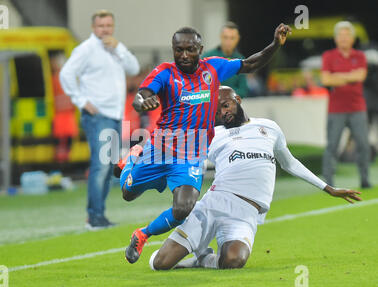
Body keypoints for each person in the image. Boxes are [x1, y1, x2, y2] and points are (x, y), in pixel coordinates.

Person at [118, 23, 292, 264]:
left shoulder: (213, 68)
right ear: (173, 49)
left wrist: (275, 45)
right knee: (127, 193)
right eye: (178, 50)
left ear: (200, 49)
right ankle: (131, 160)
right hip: (159, 150)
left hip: (189, 156)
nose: (184, 55)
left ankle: (142, 234)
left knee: (183, 208)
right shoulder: (164, 72)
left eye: (190, 49)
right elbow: (143, 94)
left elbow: (250, 63)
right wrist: (142, 102)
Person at [149, 86, 362, 271]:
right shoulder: (213, 135)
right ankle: (184, 247)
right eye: (218, 111)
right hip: (214, 205)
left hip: (245, 214)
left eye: (226, 105)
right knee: (160, 263)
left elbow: (289, 163)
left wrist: (327, 188)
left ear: (238, 100)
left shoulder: (269, 127)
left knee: (233, 260)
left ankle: (202, 259)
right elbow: (185, 160)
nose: (224, 113)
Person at [60, 10, 140, 230]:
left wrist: (119, 48)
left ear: (112, 27)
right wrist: (81, 100)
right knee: (101, 166)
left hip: (114, 116)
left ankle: (98, 215)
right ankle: (94, 217)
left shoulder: (115, 49)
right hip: (98, 116)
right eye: (101, 26)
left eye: (108, 25)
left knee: (108, 167)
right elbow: (66, 74)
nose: (105, 29)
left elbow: (133, 68)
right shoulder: (86, 49)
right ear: (93, 28)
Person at [320, 21, 371, 189]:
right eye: (340, 36)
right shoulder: (328, 56)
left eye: (346, 35)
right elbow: (326, 79)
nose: (343, 39)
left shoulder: (360, 56)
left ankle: (365, 179)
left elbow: (361, 76)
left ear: (352, 38)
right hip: (336, 109)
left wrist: (338, 77)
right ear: (335, 39)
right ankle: (328, 182)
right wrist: (351, 75)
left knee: (363, 145)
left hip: (358, 108)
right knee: (332, 146)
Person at [202, 22, 248, 98]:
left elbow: (243, 90)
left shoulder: (241, 59)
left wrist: (220, 90)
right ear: (221, 37)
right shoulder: (208, 58)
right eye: (225, 37)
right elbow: (201, 87)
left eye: (232, 38)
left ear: (238, 39)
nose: (228, 41)